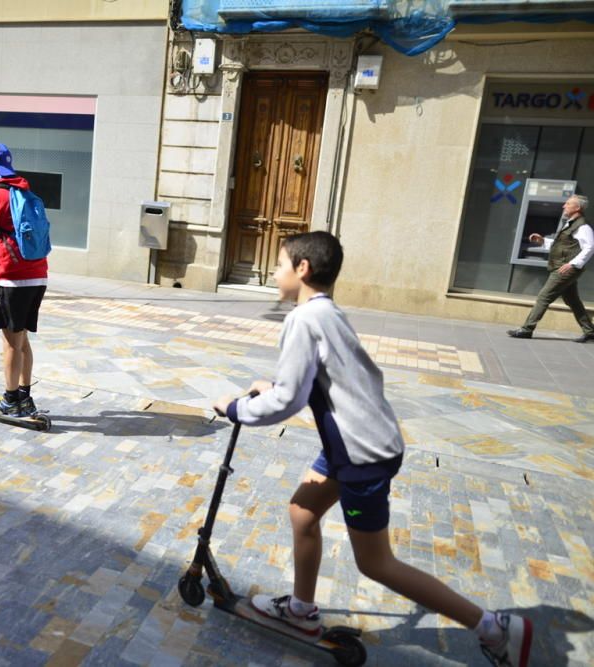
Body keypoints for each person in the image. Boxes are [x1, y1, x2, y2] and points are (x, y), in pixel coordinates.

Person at [213, 232, 532, 667]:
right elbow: (321, 380)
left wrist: (236, 408)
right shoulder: (326, 312)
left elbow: (288, 400)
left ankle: (495, 630)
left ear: (302, 269)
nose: (274, 271)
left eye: (280, 264)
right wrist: (271, 387)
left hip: (360, 455)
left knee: (376, 563)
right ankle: (302, 612)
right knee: (302, 512)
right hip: (361, 441)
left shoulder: (302, 320)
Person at [0, 142, 48, 417]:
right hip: (38, 276)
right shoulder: (25, 191)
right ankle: (25, 398)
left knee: (10, 343)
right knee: (22, 341)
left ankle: (11, 400)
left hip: (13, 280)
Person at [508, 194, 593, 342]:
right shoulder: (571, 223)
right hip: (562, 266)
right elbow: (563, 245)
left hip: (565, 269)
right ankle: (590, 332)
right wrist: (543, 241)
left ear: (577, 207)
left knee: (544, 297)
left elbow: (590, 247)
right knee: (572, 300)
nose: (563, 206)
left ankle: (527, 329)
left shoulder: (583, 226)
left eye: (567, 204)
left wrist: (572, 264)